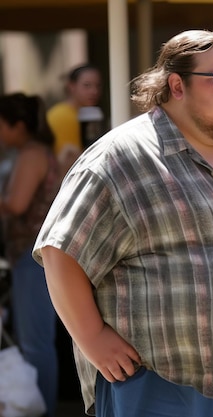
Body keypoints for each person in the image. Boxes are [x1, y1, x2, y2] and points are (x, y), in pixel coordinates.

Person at [33, 29, 213, 417]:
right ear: (176, 85)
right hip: (161, 385)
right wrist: (93, 337)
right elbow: (60, 249)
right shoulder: (121, 157)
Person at [0, 93, 60, 417]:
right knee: (36, 341)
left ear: (18, 125)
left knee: (36, 344)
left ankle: (42, 410)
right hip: (35, 256)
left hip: (33, 257)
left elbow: (17, 205)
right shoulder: (33, 153)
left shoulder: (32, 155)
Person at [46, 63, 103, 174]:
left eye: (98, 86)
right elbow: (70, 159)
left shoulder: (90, 114)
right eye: (87, 85)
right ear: (71, 86)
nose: (94, 91)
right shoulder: (62, 116)